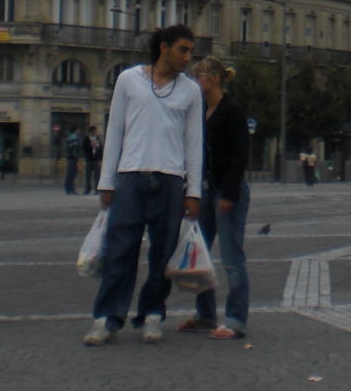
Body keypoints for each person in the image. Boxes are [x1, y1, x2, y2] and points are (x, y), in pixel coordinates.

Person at [84, 25, 203, 346]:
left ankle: (152, 314)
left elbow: (194, 144)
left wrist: (193, 191)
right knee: (120, 251)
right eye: (183, 49)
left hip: (169, 179)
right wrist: (106, 182)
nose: (187, 57)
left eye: (190, 51)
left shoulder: (190, 91)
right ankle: (107, 317)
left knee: (162, 254)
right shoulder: (129, 80)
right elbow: (115, 132)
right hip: (131, 176)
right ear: (163, 47)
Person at [178, 56, 251, 339]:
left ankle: (235, 320)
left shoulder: (232, 110)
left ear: (215, 79)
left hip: (227, 190)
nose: (196, 81)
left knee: (232, 257)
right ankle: (206, 315)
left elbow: (240, 154)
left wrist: (230, 192)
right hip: (205, 189)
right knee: (200, 254)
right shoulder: (198, 111)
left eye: (200, 76)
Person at [84, 126, 103, 194]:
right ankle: (87, 189)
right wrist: (90, 146)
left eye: (95, 131)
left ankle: (97, 190)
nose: (95, 132)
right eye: (94, 131)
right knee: (88, 176)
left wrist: (100, 159)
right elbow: (84, 148)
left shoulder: (97, 139)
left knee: (97, 176)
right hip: (89, 160)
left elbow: (100, 149)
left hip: (96, 160)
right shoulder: (86, 139)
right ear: (90, 132)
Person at [64, 127, 82, 195]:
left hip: (70, 158)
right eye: (78, 130)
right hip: (73, 159)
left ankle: (69, 189)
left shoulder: (69, 138)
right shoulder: (74, 139)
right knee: (71, 175)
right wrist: (77, 158)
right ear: (76, 131)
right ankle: (70, 190)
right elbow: (75, 150)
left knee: (70, 175)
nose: (79, 132)